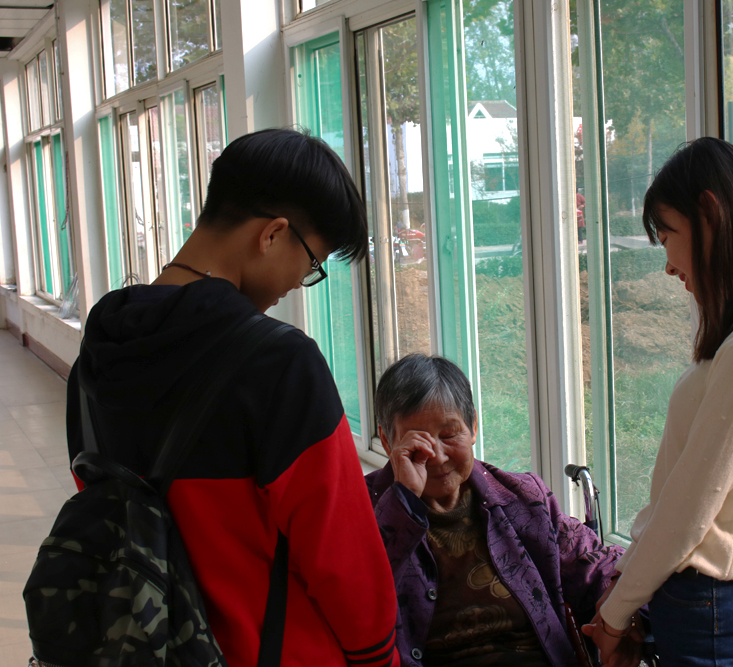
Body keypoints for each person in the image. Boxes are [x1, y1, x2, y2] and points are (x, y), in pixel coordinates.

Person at [66, 128, 401, 667]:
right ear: (273, 234)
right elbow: (343, 557)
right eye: (311, 265)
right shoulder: (281, 364)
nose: (296, 284)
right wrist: (379, 658)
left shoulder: (97, 353)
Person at [585, 137, 733, 666]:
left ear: (710, 215)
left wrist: (614, 614)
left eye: (667, 235)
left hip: (717, 608)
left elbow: (687, 510)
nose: (669, 265)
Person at [365, 353, 637, 667]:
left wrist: (628, 613)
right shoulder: (360, 510)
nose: (437, 456)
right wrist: (404, 501)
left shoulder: (522, 499)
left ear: (473, 426)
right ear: (388, 441)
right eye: (417, 443)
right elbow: (356, 593)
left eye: (449, 435)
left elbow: (597, 564)